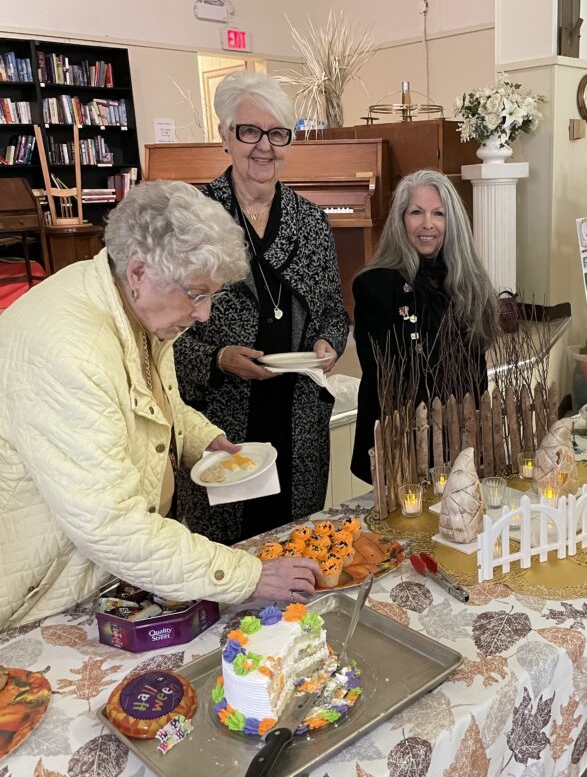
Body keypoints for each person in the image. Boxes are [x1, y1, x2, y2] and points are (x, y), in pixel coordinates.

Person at [0, 180, 321, 631]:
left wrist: (201, 436)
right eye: (197, 293)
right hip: (42, 599)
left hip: (100, 579)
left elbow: (152, 399)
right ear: (138, 271)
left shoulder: (132, 303)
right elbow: (112, 526)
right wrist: (247, 575)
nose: (206, 313)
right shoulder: (70, 351)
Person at [174, 71, 349, 544]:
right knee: (224, 549)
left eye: (277, 134)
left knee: (292, 541)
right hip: (219, 416)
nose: (264, 147)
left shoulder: (310, 221)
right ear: (225, 137)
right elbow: (158, 333)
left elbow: (333, 308)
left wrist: (329, 342)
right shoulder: (193, 217)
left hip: (296, 414)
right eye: (249, 132)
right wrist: (216, 359)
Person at [351, 169, 498, 484]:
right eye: (416, 212)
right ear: (401, 220)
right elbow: (383, 373)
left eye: (438, 214)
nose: (427, 224)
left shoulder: (470, 284)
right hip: (402, 441)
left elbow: (477, 370)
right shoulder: (375, 284)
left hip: (461, 439)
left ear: (452, 222)